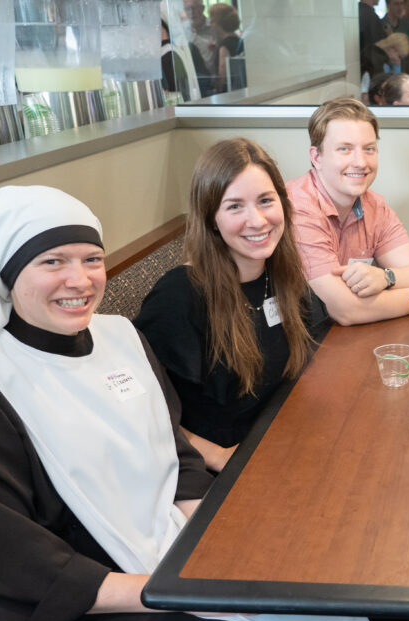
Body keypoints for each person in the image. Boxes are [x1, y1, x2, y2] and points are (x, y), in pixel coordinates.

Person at [0, 185, 391, 621]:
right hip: (65, 619)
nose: (80, 279)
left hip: (166, 557)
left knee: (316, 593)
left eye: (92, 258)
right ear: (6, 275)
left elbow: (176, 456)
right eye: (52, 262)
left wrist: (214, 553)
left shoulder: (120, 337)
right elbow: (10, 561)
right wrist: (173, 591)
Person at [134, 139, 329, 474]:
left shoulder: (280, 276)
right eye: (235, 206)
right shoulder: (178, 296)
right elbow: (140, 408)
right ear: (211, 219)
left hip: (273, 440)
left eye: (266, 201)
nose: (257, 221)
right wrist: (217, 457)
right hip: (209, 467)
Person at [287, 98, 409, 325]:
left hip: (343, 340)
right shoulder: (298, 208)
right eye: (345, 149)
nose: (361, 162)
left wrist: (386, 277)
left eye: (369, 149)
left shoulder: (373, 205)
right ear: (316, 157)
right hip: (298, 345)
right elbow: (345, 310)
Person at [208, 2, 242, 93]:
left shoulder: (224, 47)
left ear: (219, 23)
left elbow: (223, 78)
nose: (210, 25)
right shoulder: (238, 40)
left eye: (212, 21)